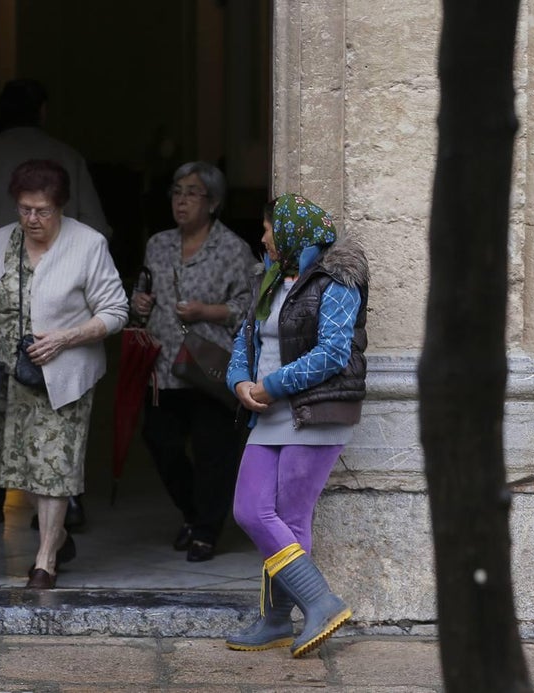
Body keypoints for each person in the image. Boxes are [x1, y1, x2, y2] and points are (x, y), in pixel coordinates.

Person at [0, 78, 110, 526]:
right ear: (43, 111)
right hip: (18, 301)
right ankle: (61, 505)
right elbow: (98, 225)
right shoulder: (67, 154)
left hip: (1, 311)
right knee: (13, 410)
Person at [0, 159, 127, 589]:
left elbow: (116, 312)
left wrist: (66, 338)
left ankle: (45, 560)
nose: (33, 219)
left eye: (43, 210)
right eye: (25, 209)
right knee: (22, 468)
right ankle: (61, 535)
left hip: (63, 375)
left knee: (54, 466)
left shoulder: (87, 245)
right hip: (7, 376)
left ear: (61, 207)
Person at [223, 193, 369, 657]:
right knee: (251, 509)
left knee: (288, 518)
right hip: (267, 410)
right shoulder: (268, 280)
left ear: (288, 232)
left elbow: (332, 353)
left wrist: (271, 385)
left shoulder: (337, 280)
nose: (261, 237)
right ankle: (315, 602)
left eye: (267, 229)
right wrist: (241, 382)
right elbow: (242, 338)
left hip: (316, 412)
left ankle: (279, 618)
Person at [129, 161, 256, 562]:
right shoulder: (158, 244)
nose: (181, 201)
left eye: (192, 193)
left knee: (212, 451)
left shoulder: (233, 249)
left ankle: (206, 531)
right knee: (161, 442)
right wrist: (139, 303)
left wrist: (208, 310)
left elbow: (251, 307)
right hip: (164, 366)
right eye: (177, 191)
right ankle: (193, 512)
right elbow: (143, 295)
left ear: (213, 203)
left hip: (210, 366)